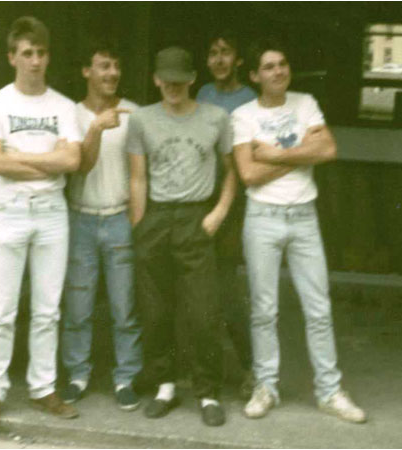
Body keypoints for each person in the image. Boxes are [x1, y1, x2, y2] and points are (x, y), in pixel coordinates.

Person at [231, 38, 367, 423]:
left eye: (282, 63)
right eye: (269, 66)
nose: (278, 71)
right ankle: (266, 386)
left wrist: (273, 153)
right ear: (255, 76)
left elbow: (328, 150)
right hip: (263, 217)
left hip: (303, 216)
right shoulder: (243, 115)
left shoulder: (305, 103)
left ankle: (329, 391)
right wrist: (298, 154)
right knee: (263, 309)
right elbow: (249, 174)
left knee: (319, 308)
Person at [0, 16, 82, 430]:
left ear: (47, 57)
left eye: (40, 53)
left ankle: (43, 388)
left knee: (47, 309)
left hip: (52, 213)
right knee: (1, 310)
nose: (34, 61)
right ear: (12, 57)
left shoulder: (63, 106)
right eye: (27, 53)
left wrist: (19, 157)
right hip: (8, 210)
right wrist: (47, 163)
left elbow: (70, 161)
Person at [127, 46, 236, 427]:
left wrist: (219, 212)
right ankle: (165, 386)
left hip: (195, 216)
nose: (172, 86)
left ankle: (207, 392)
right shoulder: (141, 119)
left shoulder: (216, 118)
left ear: (192, 79)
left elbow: (231, 170)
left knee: (203, 312)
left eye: (180, 79)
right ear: (156, 78)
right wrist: (139, 226)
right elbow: (138, 176)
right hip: (156, 217)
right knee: (156, 311)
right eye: (166, 79)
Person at [60, 39, 143, 411]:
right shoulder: (69, 113)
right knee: (78, 305)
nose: (112, 73)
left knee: (125, 305)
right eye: (103, 65)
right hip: (80, 217)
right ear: (86, 71)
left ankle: (126, 377)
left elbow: (143, 175)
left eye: (116, 65)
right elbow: (77, 163)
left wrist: (135, 219)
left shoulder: (133, 113)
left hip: (119, 218)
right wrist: (96, 127)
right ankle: (78, 374)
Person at [197, 30, 257, 398]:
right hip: (204, 198)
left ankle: (251, 367)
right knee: (200, 289)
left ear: (238, 59)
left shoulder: (248, 99)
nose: (219, 59)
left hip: (237, 205)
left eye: (226, 51)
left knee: (229, 291)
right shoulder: (202, 95)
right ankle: (205, 366)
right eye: (213, 52)